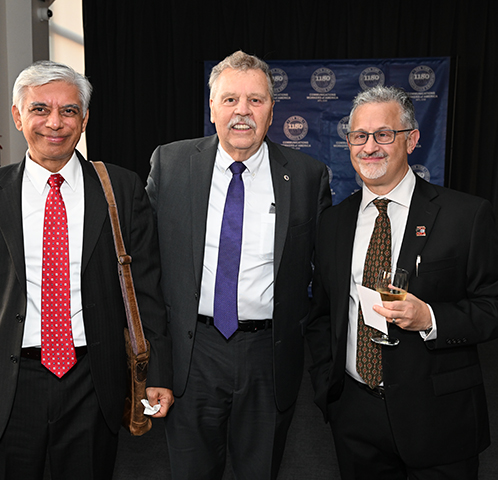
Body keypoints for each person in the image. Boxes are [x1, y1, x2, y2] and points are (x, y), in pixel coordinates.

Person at [0, 60, 173, 480]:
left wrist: (158, 373)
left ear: (85, 119)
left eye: (69, 110)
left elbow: (147, 290)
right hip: (7, 382)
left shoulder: (121, 188)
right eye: (40, 109)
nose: (55, 123)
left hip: (92, 381)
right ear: (17, 115)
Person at [305, 85, 498, 479]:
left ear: (412, 139)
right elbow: (321, 313)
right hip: (354, 416)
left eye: (384, 134)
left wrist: (431, 319)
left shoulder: (465, 215)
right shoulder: (334, 222)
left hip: (438, 416)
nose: (370, 146)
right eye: (359, 136)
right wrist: (329, 389)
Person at [145, 50, 331, 479]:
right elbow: (146, 269)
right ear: (212, 107)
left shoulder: (306, 175)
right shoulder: (171, 164)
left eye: (255, 100)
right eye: (230, 99)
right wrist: (156, 364)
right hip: (192, 352)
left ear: (271, 110)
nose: (242, 111)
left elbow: (325, 275)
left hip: (268, 354)